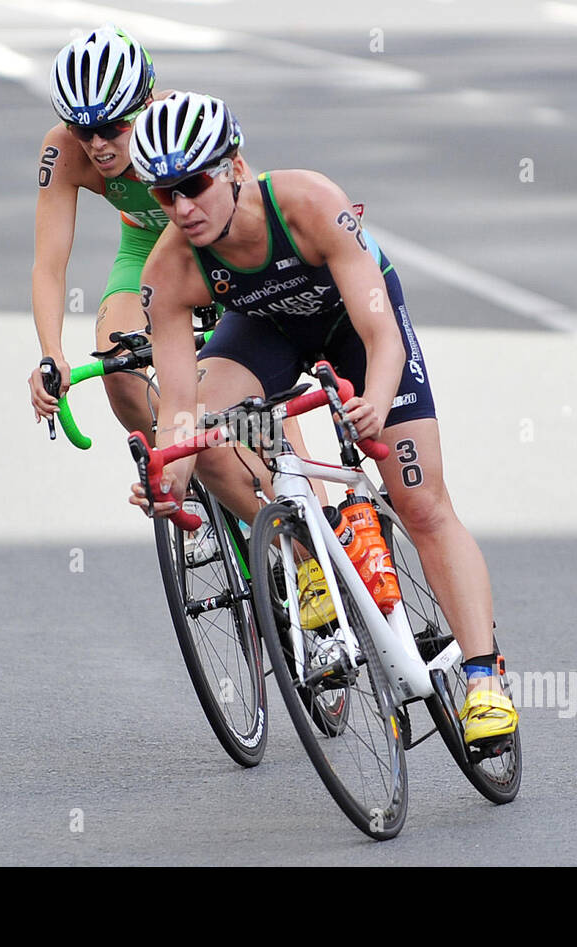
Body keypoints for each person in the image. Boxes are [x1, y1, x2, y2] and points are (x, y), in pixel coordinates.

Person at [127, 91, 517, 745]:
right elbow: (180, 409)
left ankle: (483, 680)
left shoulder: (307, 203)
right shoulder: (169, 269)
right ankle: (308, 554)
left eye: (193, 185)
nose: (183, 208)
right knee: (216, 427)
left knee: (420, 501)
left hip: (355, 329)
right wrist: (167, 478)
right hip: (266, 331)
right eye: (165, 196)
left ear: (235, 167)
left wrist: (375, 404)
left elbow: (381, 333)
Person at [26, 26, 167, 437]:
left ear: (145, 106)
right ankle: (180, 484)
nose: (97, 144)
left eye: (113, 128)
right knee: (120, 368)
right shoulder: (63, 151)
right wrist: (51, 355)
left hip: (215, 253)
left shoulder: (178, 124)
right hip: (144, 250)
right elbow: (48, 266)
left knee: (258, 405)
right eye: (82, 129)